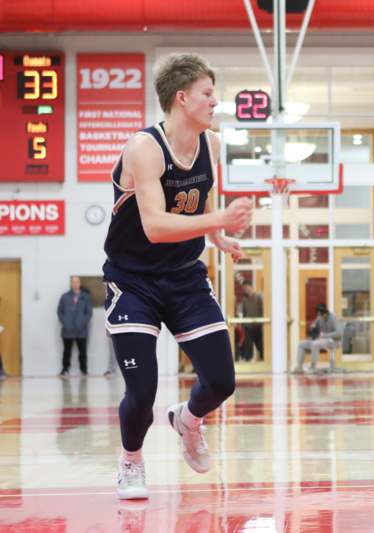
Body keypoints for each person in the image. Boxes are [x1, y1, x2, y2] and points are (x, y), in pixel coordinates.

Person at [102, 53, 253, 499]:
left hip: (185, 277)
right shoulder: (144, 148)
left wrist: (217, 233)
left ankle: (187, 419)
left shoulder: (213, 144)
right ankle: (131, 461)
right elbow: (155, 225)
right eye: (208, 93)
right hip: (133, 281)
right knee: (142, 391)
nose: (215, 101)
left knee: (222, 381)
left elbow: (198, 197)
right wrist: (220, 221)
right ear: (182, 98)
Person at [57, 276, 93, 377]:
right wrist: (65, 323)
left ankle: (84, 370)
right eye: (73, 282)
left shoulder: (85, 297)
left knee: (82, 352)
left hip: (81, 330)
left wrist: (82, 323)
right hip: (67, 330)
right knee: (66, 351)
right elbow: (60, 312)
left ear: (79, 283)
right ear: (71, 284)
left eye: (77, 282)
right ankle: (65, 369)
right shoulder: (64, 297)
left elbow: (89, 313)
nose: (75, 284)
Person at [293, 303, 343, 373]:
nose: (319, 317)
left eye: (321, 315)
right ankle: (299, 367)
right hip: (321, 340)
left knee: (315, 344)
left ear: (326, 313)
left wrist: (325, 335)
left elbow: (339, 333)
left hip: (334, 341)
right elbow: (314, 327)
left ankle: (313, 367)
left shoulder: (334, 318)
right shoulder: (319, 317)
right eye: (318, 315)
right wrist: (312, 333)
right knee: (301, 344)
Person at [239, 281, 264, 362]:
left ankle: (264, 360)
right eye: (244, 288)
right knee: (248, 345)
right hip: (248, 326)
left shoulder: (259, 297)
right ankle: (247, 361)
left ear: (251, 287)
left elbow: (263, 310)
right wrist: (243, 324)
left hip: (258, 325)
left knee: (260, 345)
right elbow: (244, 313)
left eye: (246, 287)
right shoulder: (244, 299)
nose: (245, 290)